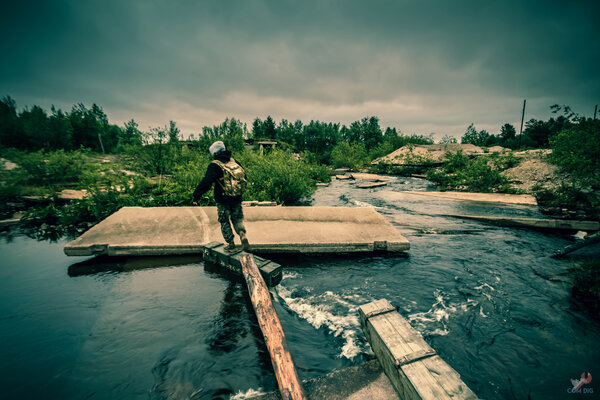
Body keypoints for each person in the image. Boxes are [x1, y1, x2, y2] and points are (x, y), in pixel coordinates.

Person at [193, 141, 250, 252]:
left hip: (222, 199)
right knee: (237, 218)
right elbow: (244, 177)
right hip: (237, 197)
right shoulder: (234, 161)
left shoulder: (214, 165)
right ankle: (242, 234)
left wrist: (196, 195)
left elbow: (207, 182)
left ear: (214, 152)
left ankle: (231, 244)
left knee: (224, 221)